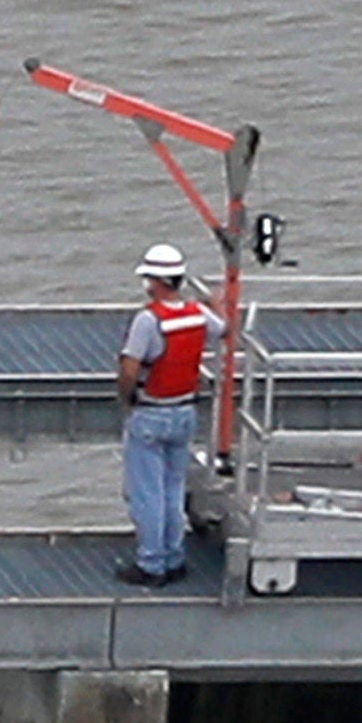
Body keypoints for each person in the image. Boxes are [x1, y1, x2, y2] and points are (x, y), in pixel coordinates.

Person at [112, 242, 224, 587]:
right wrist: (214, 303)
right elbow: (223, 329)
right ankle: (174, 559)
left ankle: (151, 565)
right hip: (185, 411)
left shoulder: (148, 320)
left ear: (156, 281)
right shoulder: (196, 314)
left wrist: (127, 397)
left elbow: (130, 368)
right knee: (174, 491)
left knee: (147, 494)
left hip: (152, 412)